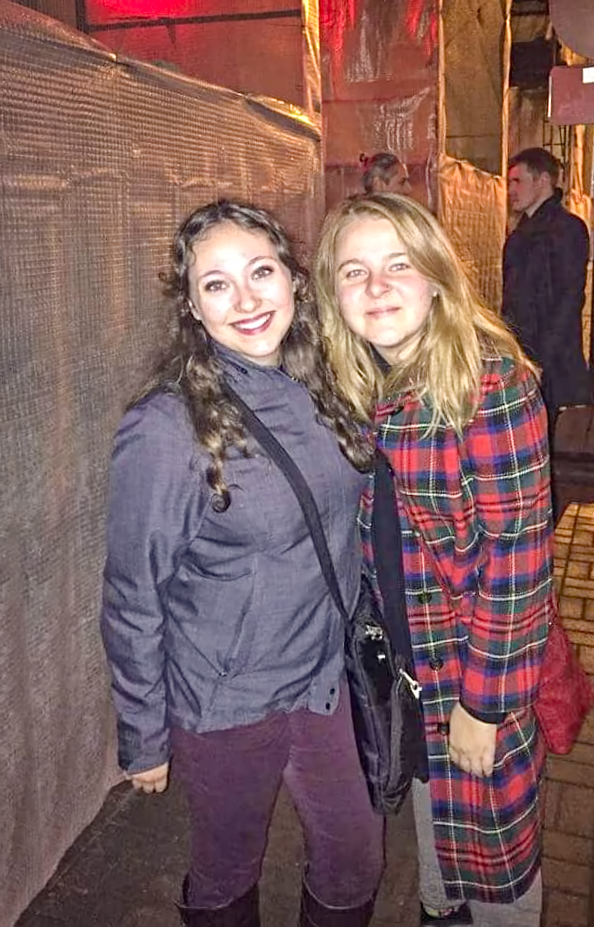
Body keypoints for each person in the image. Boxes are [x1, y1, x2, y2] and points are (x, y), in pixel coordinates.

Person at [100, 200, 383, 927]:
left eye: (261, 271)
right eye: (217, 284)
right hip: (227, 702)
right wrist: (144, 735)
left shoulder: (327, 383)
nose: (248, 299)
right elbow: (133, 595)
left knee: (354, 857)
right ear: (193, 309)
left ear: (294, 277)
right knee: (226, 867)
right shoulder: (166, 428)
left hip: (321, 681)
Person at [314, 193, 555, 927]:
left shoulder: (487, 385)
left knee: (495, 859)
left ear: (437, 277)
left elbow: (519, 557)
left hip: (472, 665)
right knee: (435, 829)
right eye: (354, 271)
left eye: (398, 265)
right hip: (411, 669)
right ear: (333, 295)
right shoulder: (359, 385)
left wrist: (485, 703)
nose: (377, 286)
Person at [502, 147, 593, 420]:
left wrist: (541, 359)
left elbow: (569, 298)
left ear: (542, 180)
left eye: (517, 181)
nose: (510, 190)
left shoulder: (566, 229)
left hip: (551, 363)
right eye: (509, 182)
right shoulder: (522, 230)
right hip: (522, 353)